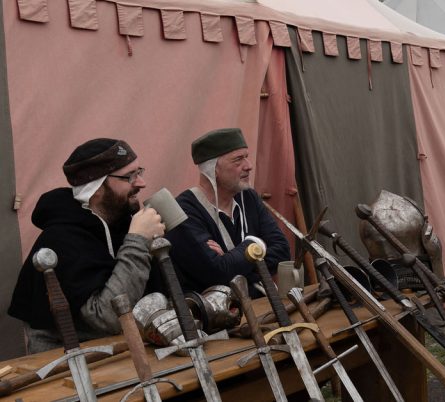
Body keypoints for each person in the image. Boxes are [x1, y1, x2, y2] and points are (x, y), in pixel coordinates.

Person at [8, 139, 165, 353]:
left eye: (140, 172)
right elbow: (107, 318)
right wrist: (137, 242)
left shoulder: (121, 222)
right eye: (130, 176)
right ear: (97, 187)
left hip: (126, 354)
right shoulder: (61, 239)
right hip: (72, 368)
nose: (141, 183)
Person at [165, 128, 290, 298]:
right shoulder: (184, 212)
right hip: (221, 317)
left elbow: (282, 250)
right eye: (238, 160)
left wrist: (230, 260)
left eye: (246, 156)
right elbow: (215, 274)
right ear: (213, 169)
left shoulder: (248, 197)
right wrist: (255, 244)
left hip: (263, 301)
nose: (248, 166)